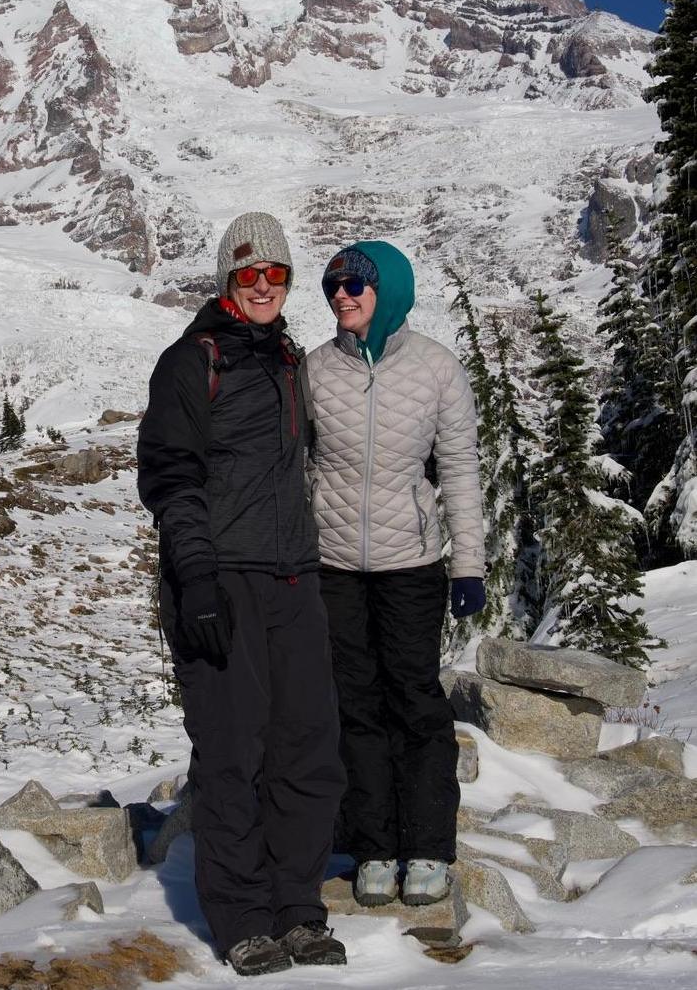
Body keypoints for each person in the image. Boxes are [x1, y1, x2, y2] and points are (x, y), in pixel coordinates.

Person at [138, 212, 346, 977]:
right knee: (232, 754)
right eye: (249, 273)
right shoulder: (191, 361)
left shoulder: (286, 358)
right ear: (228, 278)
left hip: (294, 577)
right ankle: (244, 921)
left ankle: (299, 909)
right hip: (221, 580)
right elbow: (171, 475)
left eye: (277, 274)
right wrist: (195, 576)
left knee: (308, 750)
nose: (263, 286)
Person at [302, 241, 484, 909]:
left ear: (391, 290)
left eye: (353, 283)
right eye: (332, 286)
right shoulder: (315, 371)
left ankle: (430, 846)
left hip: (412, 565)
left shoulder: (437, 369)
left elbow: (460, 470)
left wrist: (467, 563)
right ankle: (374, 846)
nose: (340, 295)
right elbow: (299, 466)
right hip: (335, 567)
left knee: (414, 702)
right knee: (354, 707)